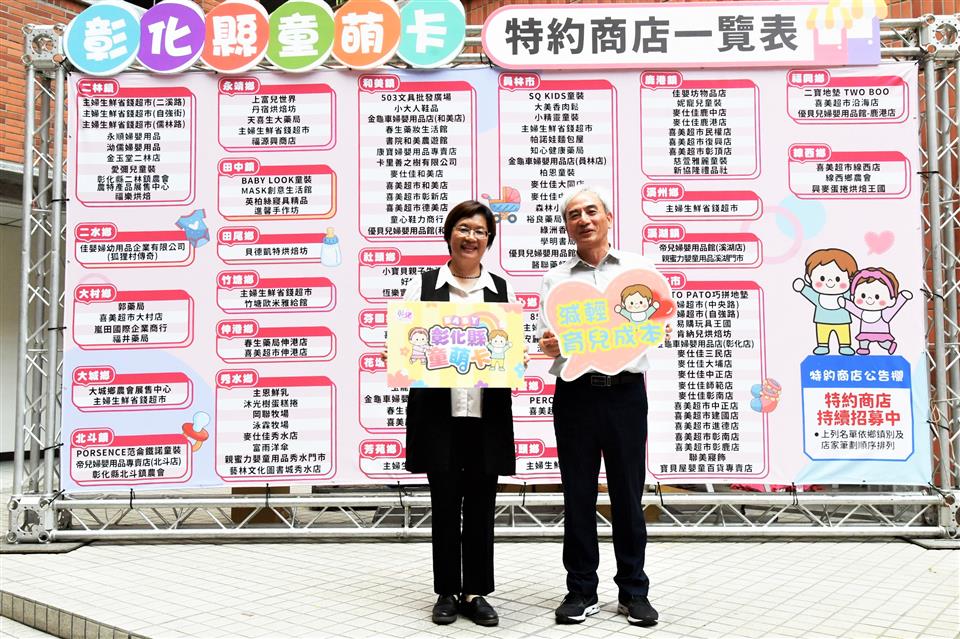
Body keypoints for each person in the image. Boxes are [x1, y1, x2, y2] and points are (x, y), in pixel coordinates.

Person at [537, 186, 661, 627]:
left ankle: (634, 591)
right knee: (578, 495)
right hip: (576, 395)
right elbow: (550, 339)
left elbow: (656, 320)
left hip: (626, 394)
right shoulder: (555, 279)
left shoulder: (638, 269)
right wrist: (550, 345)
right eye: (574, 215)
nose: (584, 220)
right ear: (567, 227)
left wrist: (649, 327)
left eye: (591, 211)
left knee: (628, 495)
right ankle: (581, 590)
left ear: (608, 218)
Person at [401, 200, 518, 626]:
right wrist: (401, 352)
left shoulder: (501, 290)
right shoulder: (422, 286)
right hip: (439, 415)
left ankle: (476, 592)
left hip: (487, 414)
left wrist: (515, 356)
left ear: (489, 240)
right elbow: (406, 345)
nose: (471, 237)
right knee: (445, 503)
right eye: (464, 228)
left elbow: (510, 351)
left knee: (483, 503)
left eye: (480, 231)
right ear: (449, 233)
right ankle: (447, 591)